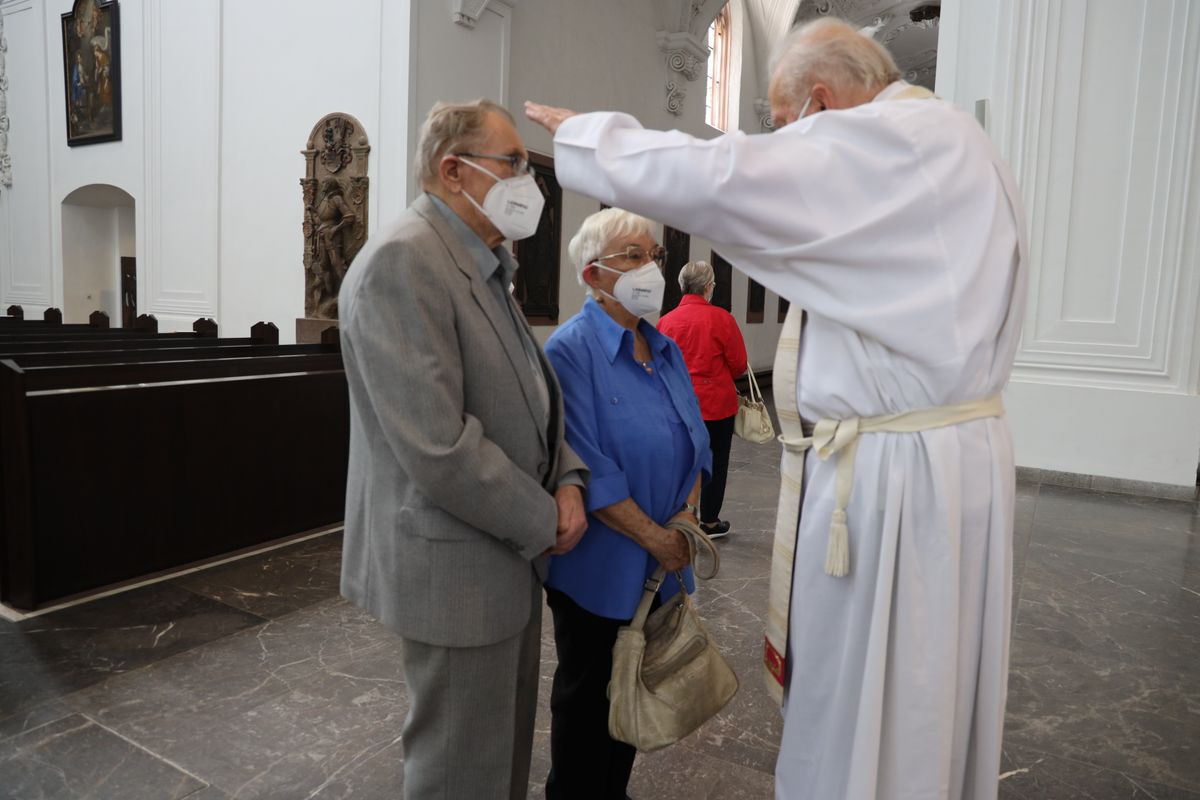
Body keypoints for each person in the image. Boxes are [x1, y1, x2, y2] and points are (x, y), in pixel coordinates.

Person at [526, 16, 1027, 800]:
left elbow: (728, 176)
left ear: (823, 104)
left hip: (896, 483)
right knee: (923, 687)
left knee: (878, 696)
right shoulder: (953, 139)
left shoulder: (886, 139)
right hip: (939, 464)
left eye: (787, 128)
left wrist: (595, 141)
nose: (786, 149)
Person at [338, 98, 588, 800]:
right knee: (458, 769)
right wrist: (546, 519)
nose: (528, 182)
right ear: (454, 171)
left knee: (497, 755)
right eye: (512, 163)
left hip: (502, 554)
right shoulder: (403, 262)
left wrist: (567, 475)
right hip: (456, 561)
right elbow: (439, 445)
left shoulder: (482, 261)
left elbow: (532, 392)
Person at [541, 208, 711, 800]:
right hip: (600, 568)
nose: (650, 269)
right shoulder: (571, 349)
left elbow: (696, 439)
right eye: (634, 256)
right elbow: (589, 466)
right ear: (593, 275)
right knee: (588, 703)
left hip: (661, 563)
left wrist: (687, 518)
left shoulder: (660, 346)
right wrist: (660, 541)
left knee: (631, 700)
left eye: (654, 257)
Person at [657, 260, 747, 539]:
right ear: (708, 287)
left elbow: (659, 365)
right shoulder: (722, 319)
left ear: (682, 286)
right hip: (716, 404)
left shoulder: (665, 321)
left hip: (677, 404)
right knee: (717, 461)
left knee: (679, 460)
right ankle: (709, 521)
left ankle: (678, 515)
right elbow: (739, 364)